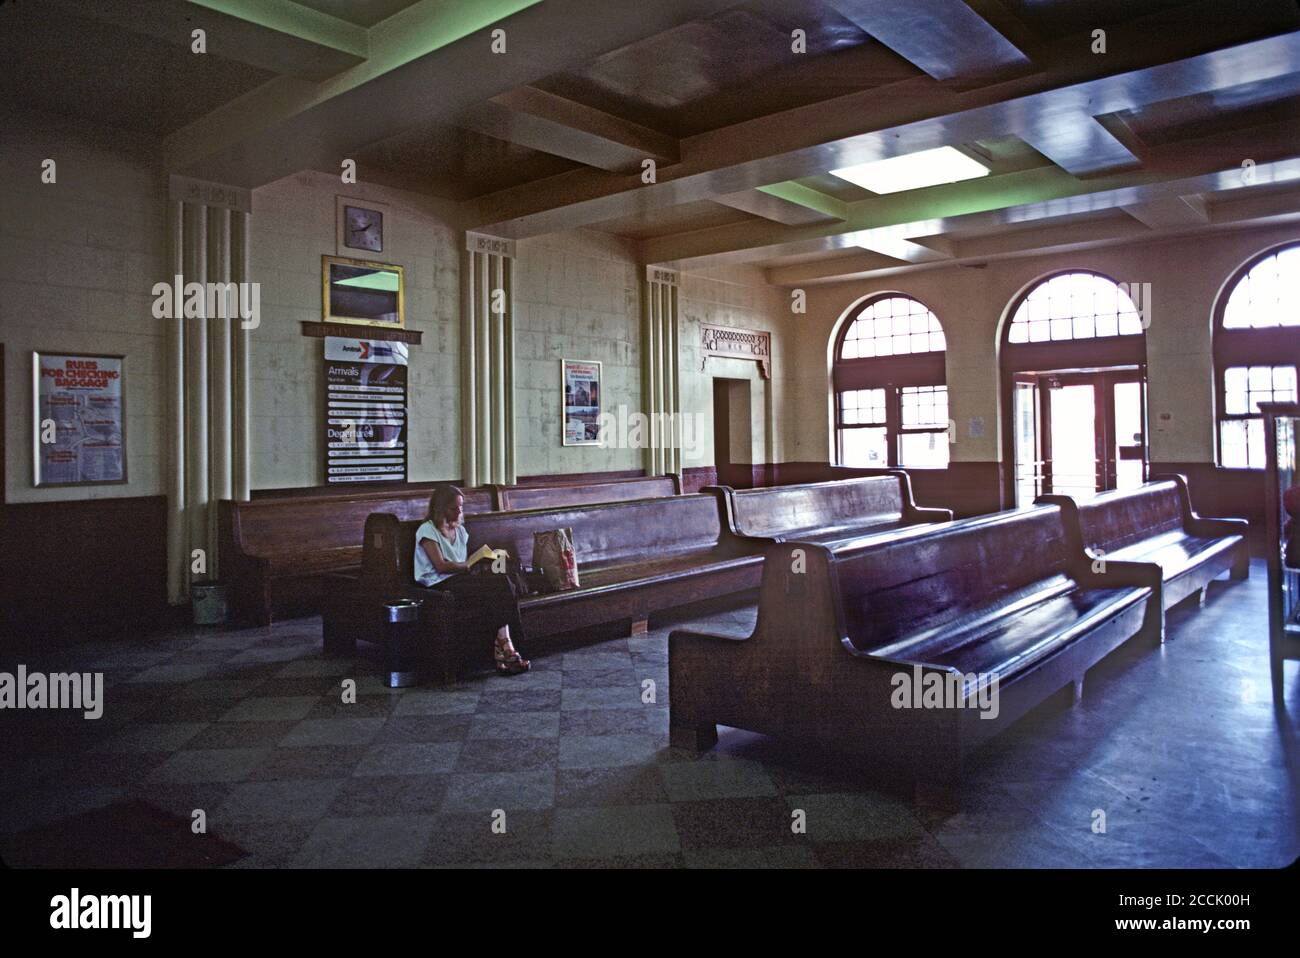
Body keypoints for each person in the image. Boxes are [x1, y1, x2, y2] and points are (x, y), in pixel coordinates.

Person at [413, 484, 530, 675]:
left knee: (501, 580)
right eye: (454, 507)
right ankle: (507, 647)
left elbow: (465, 563)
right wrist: (468, 563)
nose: (459, 511)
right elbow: (441, 565)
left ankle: (503, 647)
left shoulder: (460, 531)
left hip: (459, 579)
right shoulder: (427, 531)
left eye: (461, 506)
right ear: (441, 508)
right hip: (437, 584)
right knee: (498, 588)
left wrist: (484, 559)